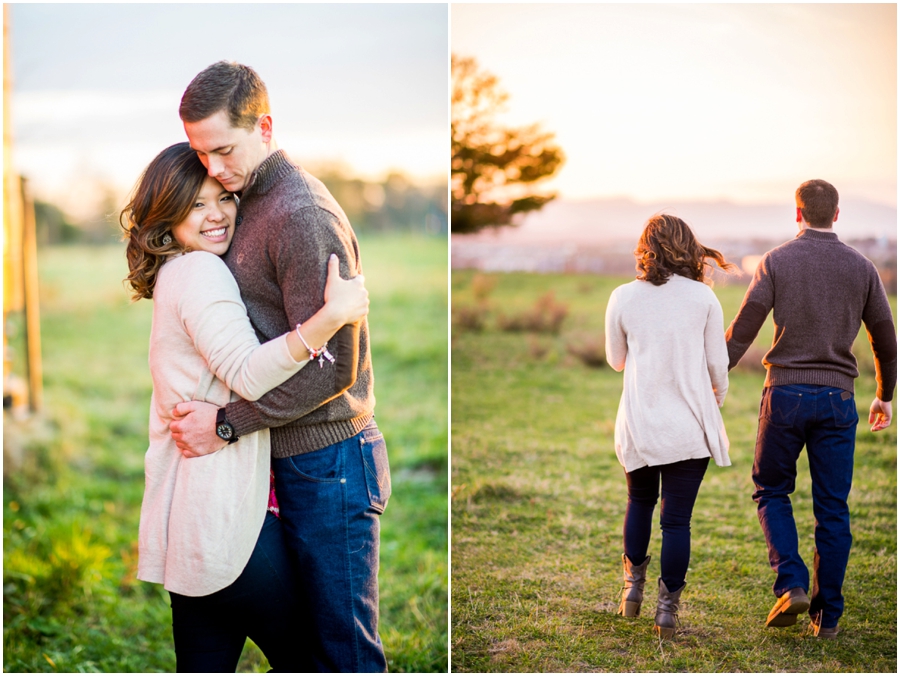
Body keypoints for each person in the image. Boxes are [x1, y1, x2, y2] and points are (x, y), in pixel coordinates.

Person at [168, 61, 390, 672]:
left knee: (341, 652)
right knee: (308, 649)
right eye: (200, 153)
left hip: (330, 462)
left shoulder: (299, 215)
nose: (212, 168)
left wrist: (227, 422)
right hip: (284, 459)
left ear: (264, 126)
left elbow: (334, 367)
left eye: (223, 150)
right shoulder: (243, 202)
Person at [122, 143, 370, 671]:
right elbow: (248, 374)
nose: (216, 215)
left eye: (223, 199)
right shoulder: (201, 275)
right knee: (316, 662)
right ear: (166, 219)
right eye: (195, 205)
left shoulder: (177, 271)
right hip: (228, 525)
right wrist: (331, 317)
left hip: (192, 533)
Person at [724, 179, 896, 638]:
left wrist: (711, 376)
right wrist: (885, 394)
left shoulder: (775, 261)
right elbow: (885, 337)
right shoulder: (862, 268)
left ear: (797, 214)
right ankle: (828, 617)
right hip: (839, 400)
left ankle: (792, 583)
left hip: (783, 395)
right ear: (836, 215)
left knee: (771, 490)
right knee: (832, 509)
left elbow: (743, 330)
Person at [605, 214, 735, 639]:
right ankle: (666, 613)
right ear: (688, 248)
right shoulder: (703, 299)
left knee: (639, 503)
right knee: (677, 521)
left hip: (640, 422)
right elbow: (719, 364)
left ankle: (631, 591)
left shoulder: (622, 297)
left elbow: (616, 360)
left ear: (646, 249)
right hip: (688, 427)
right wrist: (716, 396)